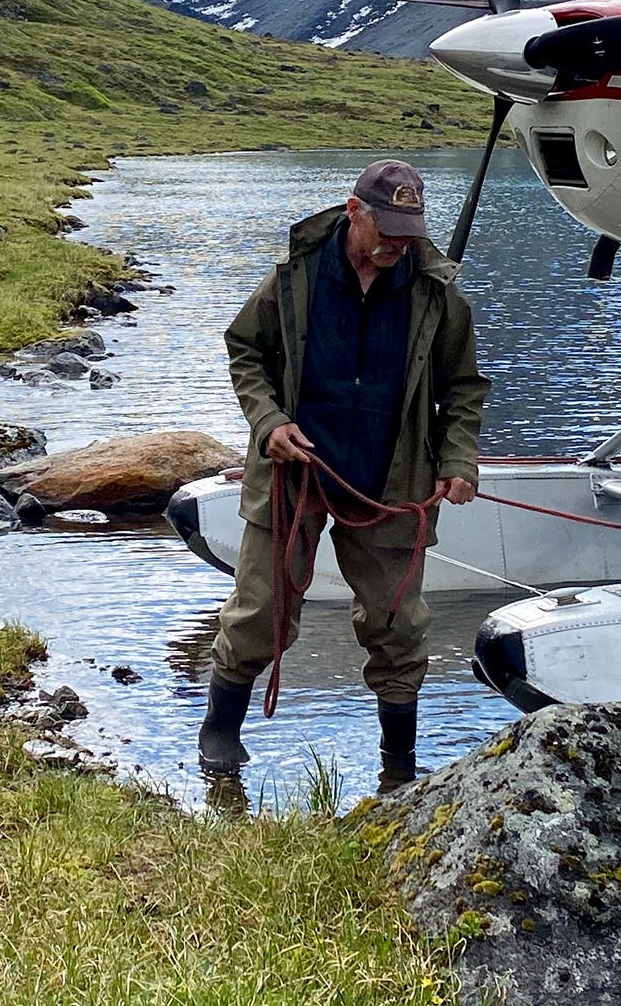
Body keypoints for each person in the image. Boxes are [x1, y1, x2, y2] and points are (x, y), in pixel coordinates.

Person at [203, 159, 489, 792]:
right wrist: (269, 422)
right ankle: (220, 737)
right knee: (261, 611)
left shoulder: (438, 292)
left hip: (392, 482)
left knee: (399, 627)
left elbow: (463, 389)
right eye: (387, 229)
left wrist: (456, 461)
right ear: (354, 212)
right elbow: (244, 350)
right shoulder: (294, 276)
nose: (397, 245)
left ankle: (400, 771)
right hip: (293, 474)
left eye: (409, 232)